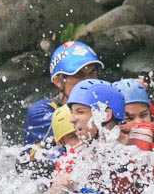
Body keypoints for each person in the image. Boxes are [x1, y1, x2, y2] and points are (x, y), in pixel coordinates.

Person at [19, 41, 103, 174]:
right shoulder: (40, 112)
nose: (88, 81)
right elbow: (71, 126)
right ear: (58, 81)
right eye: (78, 75)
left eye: (92, 73)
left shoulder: (102, 104)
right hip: (44, 181)